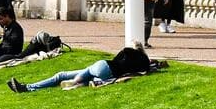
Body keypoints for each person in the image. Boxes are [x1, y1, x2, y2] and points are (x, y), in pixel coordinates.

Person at [8, 45, 156, 92]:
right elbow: (144, 71)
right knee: (91, 79)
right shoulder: (143, 64)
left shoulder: (128, 51)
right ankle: (79, 85)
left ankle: (28, 87)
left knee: (62, 75)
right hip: (111, 75)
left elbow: (117, 58)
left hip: (103, 65)